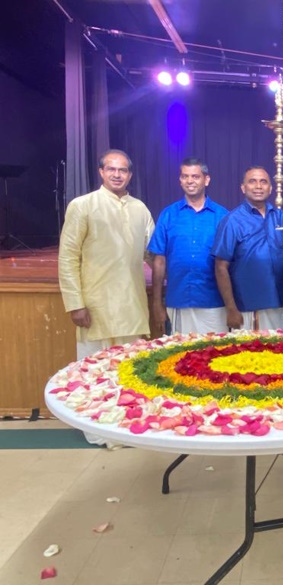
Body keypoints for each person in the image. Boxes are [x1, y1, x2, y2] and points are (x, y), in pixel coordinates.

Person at [58, 148, 154, 446]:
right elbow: (68, 257)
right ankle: (97, 432)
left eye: (123, 170)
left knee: (130, 371)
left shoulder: (140, 209)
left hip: (132, 304)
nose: (117, 174)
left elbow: (153, 252)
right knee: (95, 373)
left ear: (130, 175)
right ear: (101, 172)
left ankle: (126, 427)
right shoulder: (83, 206)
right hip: (95, 305)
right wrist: (75, 303)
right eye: (111, 169)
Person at [148, 157, 229, 335]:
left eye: (195, 176)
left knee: (215, 350)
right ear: (180, 180)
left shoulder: (222, 216)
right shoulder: (169, 215)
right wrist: (157, 303)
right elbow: (159, 261)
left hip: (214, 302)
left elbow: (231, 262)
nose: (190, 181)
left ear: (206, 180)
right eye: (185, 176)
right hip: (179, 300)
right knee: (180, 351)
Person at [211, 166, 283, 331]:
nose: (258, 186)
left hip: (279, 305)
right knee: (249, 349)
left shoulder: (281, 217)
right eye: (252, 181)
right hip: (247, 307)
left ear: (270, 188)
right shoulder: (232, 220)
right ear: (243, 188)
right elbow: (220, 266)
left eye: (263, 182)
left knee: (278, 347)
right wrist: (231, 309)